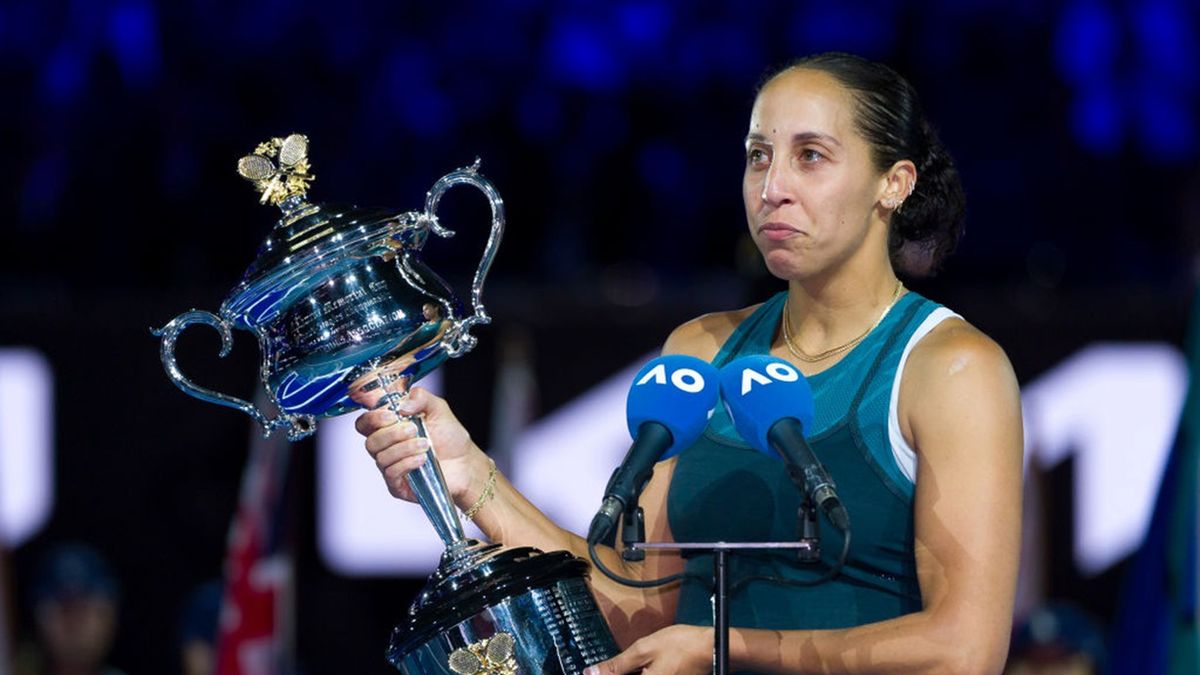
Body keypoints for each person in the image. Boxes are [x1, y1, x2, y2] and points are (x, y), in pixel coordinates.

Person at [356, 51, 1023, 674]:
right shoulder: (700, 351)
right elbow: (641, 611)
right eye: (757, 157)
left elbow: (965, 649)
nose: (772, 188)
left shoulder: (952, 368)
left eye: (811, 156)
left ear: (893, 184)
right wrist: (474, 478)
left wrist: (724, 647)